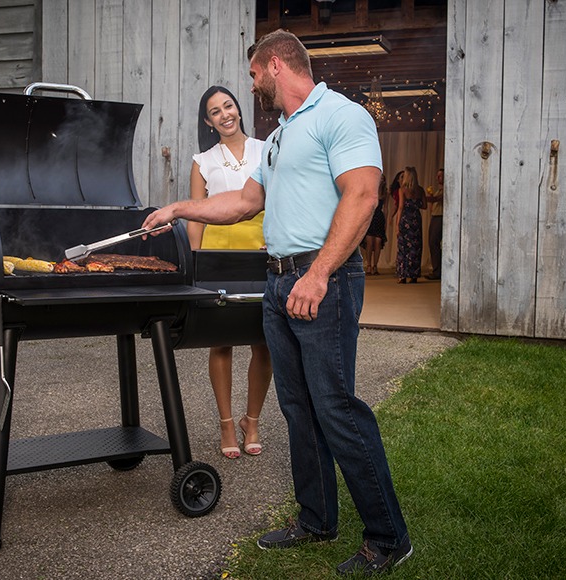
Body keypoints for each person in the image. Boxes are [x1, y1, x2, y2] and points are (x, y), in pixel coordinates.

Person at [142, 29, 411, 576]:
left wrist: (317, 274)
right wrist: (180, 209)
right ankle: (316, 520)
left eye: (253, 75)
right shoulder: (284, 134)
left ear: (275, 67)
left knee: (336, 407)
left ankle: (387, 537)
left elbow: (362, 195)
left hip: (324, 280)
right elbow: (245, 202)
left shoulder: (342, 115)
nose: (251, 86)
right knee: (297, 408)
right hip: (279, 282)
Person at [188, 85, 273, 459]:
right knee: (220, 342)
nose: (225, 114)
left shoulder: (266, 148)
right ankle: (225, 423)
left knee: (264, 341)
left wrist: (278, 239)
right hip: (219, 257)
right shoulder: (202, 160)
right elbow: (195, 214)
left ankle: (251, 420)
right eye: (216, 111)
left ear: (238, 109)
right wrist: (196, 261)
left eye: (229, 105)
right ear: (208, 121)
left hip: (261, 253)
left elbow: (280, 196)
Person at [395, 166, 426, 284]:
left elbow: (401, 207)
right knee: (416, 247)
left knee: (403, 248)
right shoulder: (420, 190)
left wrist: (397, 225)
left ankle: (402, 275)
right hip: (416, 220)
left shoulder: (402, 190)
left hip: (405, 219)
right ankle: (414, 275)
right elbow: (424, 206)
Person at [361, 173, 388, 275]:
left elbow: (386, 208)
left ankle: (375, 266)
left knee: (378, 242)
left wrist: (385, 221)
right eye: (380, 178)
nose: (381, 180)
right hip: (370, 217)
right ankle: (368, 265)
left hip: (379, 218)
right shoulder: (371, 190)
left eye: (383, 178)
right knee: (369, 242)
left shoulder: (385, 192)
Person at [425, 168, 444, 280]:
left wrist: (422, 197)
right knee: (432, 243)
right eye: (437, 176)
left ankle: (438, 271)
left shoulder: (446, 189)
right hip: (435, 216)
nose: (438, 178)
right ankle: (436, 269)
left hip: (440, 217)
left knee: (434, 242)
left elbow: (436, 199)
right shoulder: (439, 189)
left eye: (440, 176)